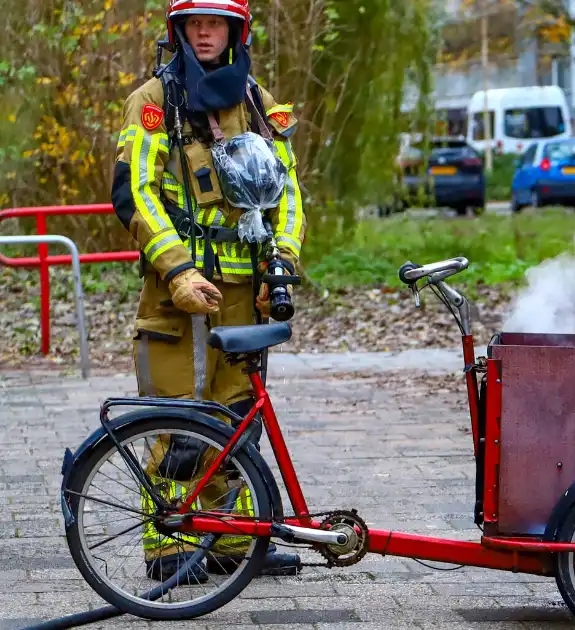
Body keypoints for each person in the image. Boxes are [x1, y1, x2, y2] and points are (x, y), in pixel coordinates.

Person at [111, 0, 305, 584]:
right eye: (194, 22)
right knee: (180, 417)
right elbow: (136, 192)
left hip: (245, 293)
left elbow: (288, 192)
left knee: (237, 416)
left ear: (235, 31)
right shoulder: (153, 102)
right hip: (180, 295)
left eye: (215, 22)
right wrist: (177, 271)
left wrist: (282, 263)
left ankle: (233, 539)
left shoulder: (258, 103)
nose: (204, 32)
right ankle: (169, 542)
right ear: (178, 29)